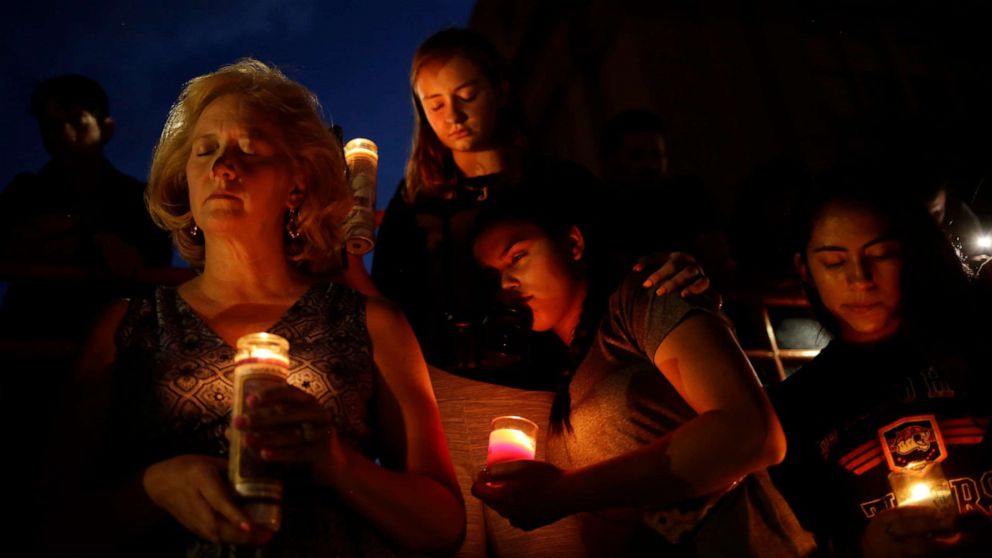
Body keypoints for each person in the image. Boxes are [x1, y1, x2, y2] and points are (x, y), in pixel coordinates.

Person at [45, 59, 464, 557]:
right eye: (205, 151)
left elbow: (443, 527)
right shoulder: (127, 328)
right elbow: (49, 526)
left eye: (249, 147)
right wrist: (154, 488)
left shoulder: (370, 323)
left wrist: (338, 465)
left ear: (297, 182)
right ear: (187, 182)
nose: (223, 166)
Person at [469, 198, 814, 557]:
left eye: (518, 257)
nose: (507, 283)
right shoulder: (557, 380)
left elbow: (753, 433)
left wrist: (561, 493)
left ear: (572, 244)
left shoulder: (643, 298)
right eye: (492, 276)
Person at [770, 171, 992, 557]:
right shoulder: (796, 406)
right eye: (835, 262)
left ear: (909, 252)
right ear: (805, 270)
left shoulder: (978, 343)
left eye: (879, 255)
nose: (860, 279)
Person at [371, 27, 608, 380]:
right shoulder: (416, 206)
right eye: (435, 104)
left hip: (564, 378)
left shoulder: (560, 184)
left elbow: (614, 270)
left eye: (467, 95)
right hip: (449, 386)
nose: (453, 115)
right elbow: (389, 301)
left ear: (500, 90)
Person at [0, 74, 172, 340]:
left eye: (77, 121)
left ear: (106, 128)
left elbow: (153, 259)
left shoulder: (137, 199)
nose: (64, 133)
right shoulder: (25, 192)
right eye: (51, 125)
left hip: (108, 343)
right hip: (29, 340)